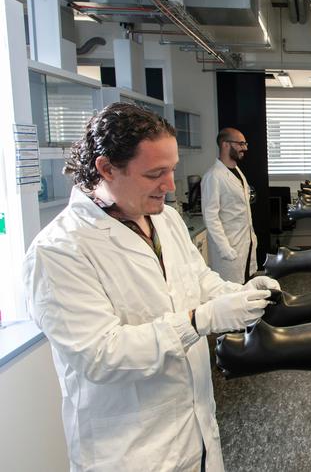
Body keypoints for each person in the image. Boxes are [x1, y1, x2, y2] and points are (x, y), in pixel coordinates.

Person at [23, 103, 279, 472]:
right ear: (107, 168)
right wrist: (199, 321)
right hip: (131, 451)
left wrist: (238, 294)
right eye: (155, 173)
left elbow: (197, 279)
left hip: (196, 431)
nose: (171, 185)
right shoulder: (60, 251)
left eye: (172, 170)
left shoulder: (166, 218)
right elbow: (100, 355)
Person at [202, 128, 258, 283]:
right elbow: (210, 216)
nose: (245, 148)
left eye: (245, 143)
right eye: (241, 144)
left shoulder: (237, 171)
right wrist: (224, 248)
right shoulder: (213, 176)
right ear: (225, 144)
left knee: (246, 286)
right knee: (230, 295)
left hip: (245, 243)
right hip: (229, 247)